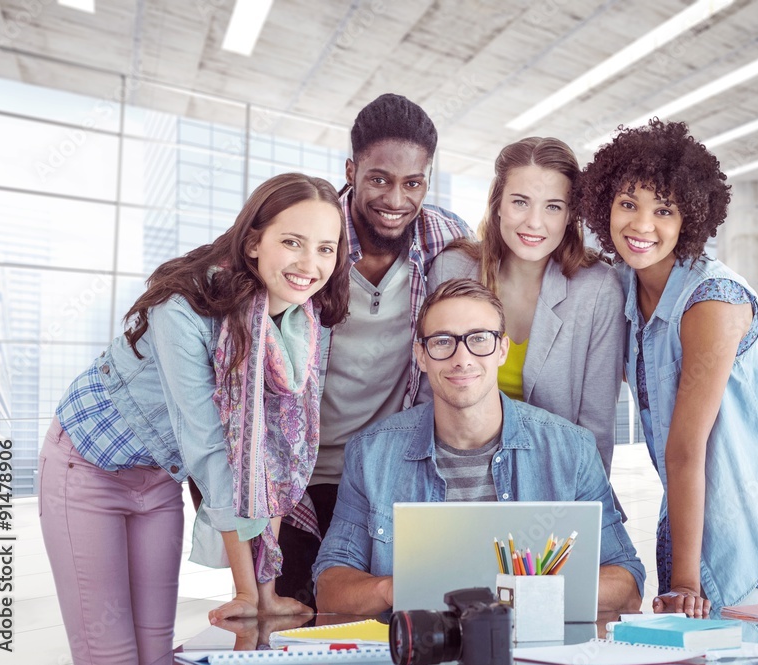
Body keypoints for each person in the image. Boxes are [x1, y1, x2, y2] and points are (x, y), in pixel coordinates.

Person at [39, 173, 349, 665]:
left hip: (159, 476)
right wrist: (248, 593)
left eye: (326, 248)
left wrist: (264, 596)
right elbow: (210, 447)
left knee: (158, 652)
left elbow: (275, 456)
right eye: (292, 242)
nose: (310, 265)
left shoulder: (299, 320)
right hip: (89, 464)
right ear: (253, 242)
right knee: (112, 655)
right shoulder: (183, 308)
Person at [576, 119, 758, 618]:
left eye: (664, 210)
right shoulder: (626, 289)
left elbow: (685, 447)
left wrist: (683, 582)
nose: (641, 225)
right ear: (605, 205)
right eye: (628, 204)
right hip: (695, 504)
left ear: (690, 219)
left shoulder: (712, 300)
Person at [313, 278, 645, 614]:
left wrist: (533, 593)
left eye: (479, 340)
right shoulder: (370, 454)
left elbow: (627, 584)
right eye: (443, 342)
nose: (462, 358)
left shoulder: (572, 451)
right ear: (421, 356)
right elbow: (328, 588)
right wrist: (395, 588)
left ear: (502, 350)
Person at [275, 93, 474, 609]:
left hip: (383, 473)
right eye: (380, 178)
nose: (396, 199)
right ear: (351, 169)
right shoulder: (314, 240)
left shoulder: (446, 238)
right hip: (297, 472)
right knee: (295, 620)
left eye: (413, 183)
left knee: (387, 618)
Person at [421, 137, 624, 477]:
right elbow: (429, 395)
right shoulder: (451, 269)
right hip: (456, 473)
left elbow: (596, 428)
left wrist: (582, 508)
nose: (534, 222)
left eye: (553, 207)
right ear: (497, 203)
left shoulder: (598, 289)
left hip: (552, 474)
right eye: (520, 202)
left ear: (570, 215)